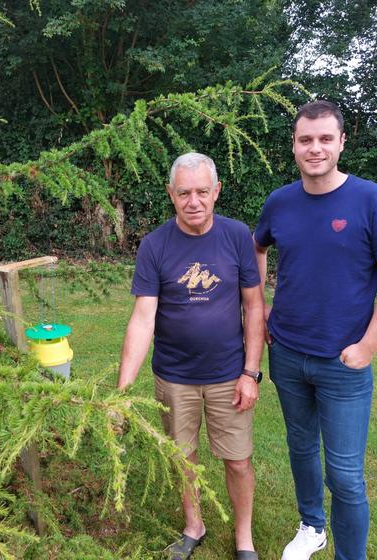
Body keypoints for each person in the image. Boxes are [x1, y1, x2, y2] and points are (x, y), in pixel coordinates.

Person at [253, 100, 377, 560]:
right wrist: (260, 308)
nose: (315, 148)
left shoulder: (372, 200)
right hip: (286, 352)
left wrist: (369, 345)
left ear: (342, 142)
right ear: (294, 146)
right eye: (306, 139)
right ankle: (311, 528)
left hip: (344, 361)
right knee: (300, 449)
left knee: (344, 474)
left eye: (325, 138)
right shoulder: (279, 202)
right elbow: (256, 249)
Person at [117, 152, 265, 560]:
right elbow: (142, 319)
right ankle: (194, 525)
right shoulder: (154, 245)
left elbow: (254, 306)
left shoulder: (237, 236)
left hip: (228, 375)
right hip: (174, 376)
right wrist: (122, 390)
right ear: (171, 194)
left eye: (202, 191)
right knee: (183, 458)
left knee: (237, 461)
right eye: (184, 192)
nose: (194, 201)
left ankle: (244, 539)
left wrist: (251, 373)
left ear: (216, 191)